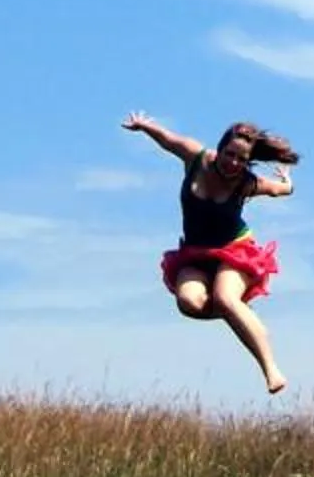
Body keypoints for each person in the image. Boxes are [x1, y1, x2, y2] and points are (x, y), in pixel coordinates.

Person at [122, 110, 297, 395]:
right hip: (196, 252)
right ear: (221, 147)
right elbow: (168, 140)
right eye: (230, 154)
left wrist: (288, 184)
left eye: (242, 159)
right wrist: (144, 126)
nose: (234, 163)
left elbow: (279, 190)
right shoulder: (196, 157)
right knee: (188, 303)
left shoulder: (245, 183)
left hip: (235, 250)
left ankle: (270, 369)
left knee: (225, 298)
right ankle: (240, 313)